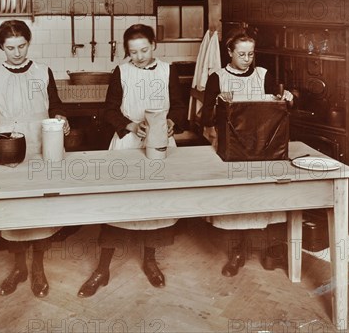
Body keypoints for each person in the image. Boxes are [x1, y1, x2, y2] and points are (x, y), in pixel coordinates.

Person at [77, 24, 187, 298]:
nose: (138, 57)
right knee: (117, 204)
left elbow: (180, 107)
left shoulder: (168, 70)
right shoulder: (122, 72)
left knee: (155, 204)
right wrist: (129, 125)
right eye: (133, 52)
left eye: (144, 50)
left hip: (160, 145)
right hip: (128, 144)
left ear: (154, 44)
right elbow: (109, 111)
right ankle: (103, 268)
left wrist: (172, 121)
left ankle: (150, 260)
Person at [0, 19, 73, 298]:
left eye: (22, 46)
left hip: (42, 146)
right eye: (10, 48)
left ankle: (38, 267)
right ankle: (19, 267)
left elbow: (55, 106)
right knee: (12, 212)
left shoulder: (43, 72)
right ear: (1, 48)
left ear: (29, 43)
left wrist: (61, 118)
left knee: (41, 210)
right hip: (8, 149)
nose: (17, 53)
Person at [200, 30, 293, 277]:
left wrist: (287, 96)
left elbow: (279, 104)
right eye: (241, 54)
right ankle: (238, 253)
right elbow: (205, 118)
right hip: (232, 150)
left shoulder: (263, 75)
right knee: (239, 200)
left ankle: (273, 251)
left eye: (251, 54)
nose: (247, 59)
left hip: (264, 147)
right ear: (229, 52)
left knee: (267, 198)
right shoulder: (217, 78)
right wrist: (219, 101)